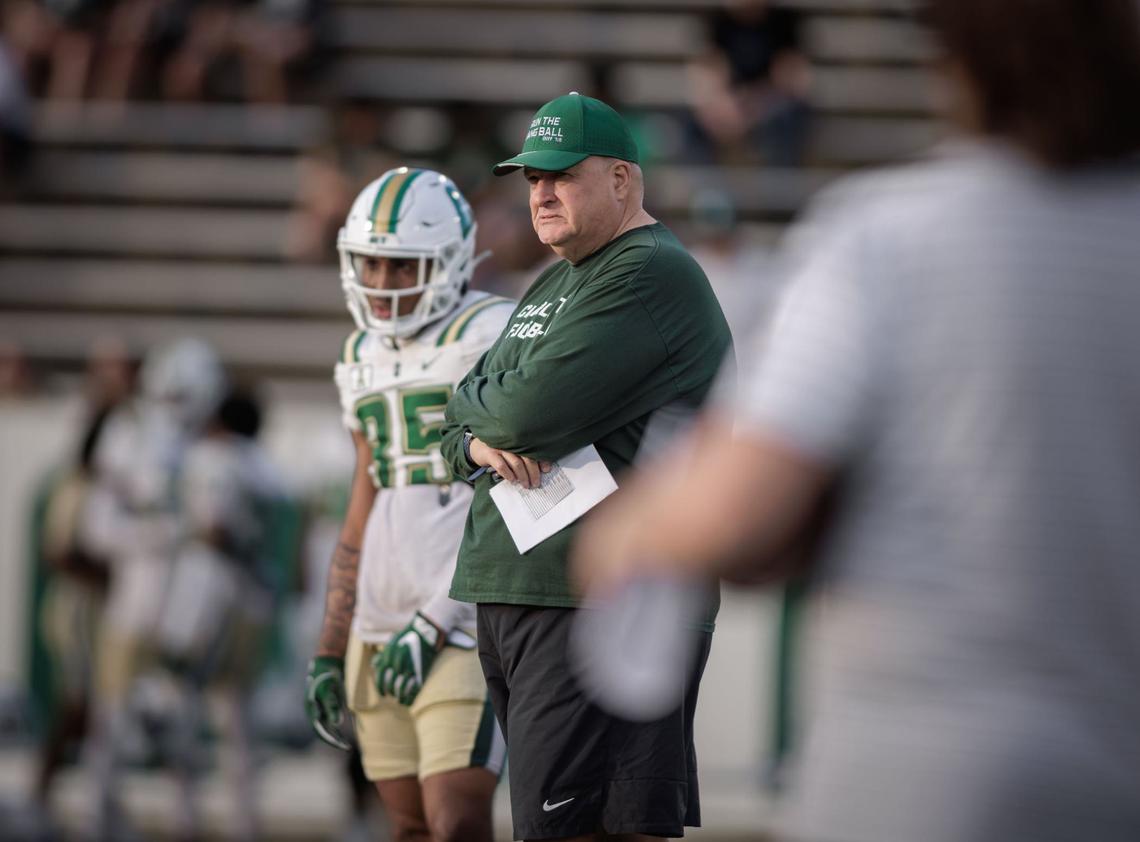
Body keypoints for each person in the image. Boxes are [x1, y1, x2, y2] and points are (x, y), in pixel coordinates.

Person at [572, 2, 1140, 841]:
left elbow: (733, 516)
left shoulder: (888, 236)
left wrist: (620, 533)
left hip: (915, 769)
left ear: (955, 59)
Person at [438, 93, 733, 841]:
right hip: (527, 594)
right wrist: (473, 433)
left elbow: (518, 414)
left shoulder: (649, 273)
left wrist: (480, 414)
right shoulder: (558, 277)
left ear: (623, 181)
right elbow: (458, 416)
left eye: (562, 176)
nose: (540, 193)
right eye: (532, 179)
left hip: (595, 601)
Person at [305, 167, 514, 842]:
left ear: (450, 261)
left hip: (461, 620)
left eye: (403, 267)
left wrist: (438, 617)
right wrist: (331, 644)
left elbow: (518, 493)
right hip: (376, 621)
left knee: (458, 820)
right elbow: (364, 500)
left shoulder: (493, 330)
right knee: (408, 828)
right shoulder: (357, 355)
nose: (385, 284)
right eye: (372, 264)